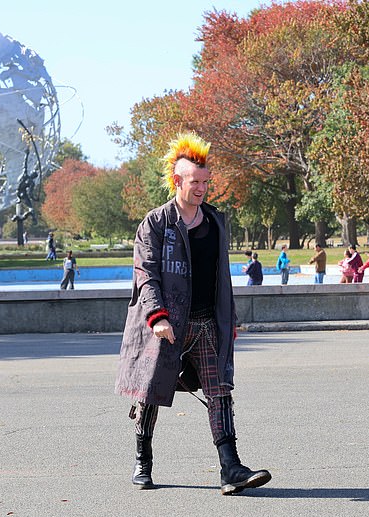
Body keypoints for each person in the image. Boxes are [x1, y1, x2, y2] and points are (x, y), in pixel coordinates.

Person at [115, 132, 271, 495]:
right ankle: (143, 460)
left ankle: (230, 468)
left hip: (205, 324)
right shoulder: (155, 223)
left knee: (220, 392)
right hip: (166, 325)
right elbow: (146, 274)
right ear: (176, 181)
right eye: (194, 182)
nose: (201, 188)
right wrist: (157, 317)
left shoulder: (216, 222)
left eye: (205, 181)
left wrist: (228, 320)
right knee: (150, 392)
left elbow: (221, 277)